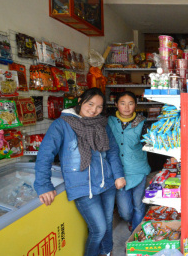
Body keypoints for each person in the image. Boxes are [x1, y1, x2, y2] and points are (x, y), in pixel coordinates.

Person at [34, 88, 126, 256]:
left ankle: (106, 252)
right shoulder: (62, 124)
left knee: (107, 223)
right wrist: (43, 185)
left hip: (106, 183)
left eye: (99, 107)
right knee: (98, 229)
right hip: (83, 187)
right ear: (80, 101)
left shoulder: (102, 124)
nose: (94, 110)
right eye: (90, 104)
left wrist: (118, 174)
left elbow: (112, 151)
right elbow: (45, 154)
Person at [108, 91, 151, 232]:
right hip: (119, 173)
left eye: (131, 103)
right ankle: (131, 221)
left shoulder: (142, 122)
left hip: (138, 170)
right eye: (122, 103)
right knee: (125, 211)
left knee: (138, 205)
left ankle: (135, 235)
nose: (127, 107)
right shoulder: (109, 122)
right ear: (116, 104)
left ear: (136, 105)